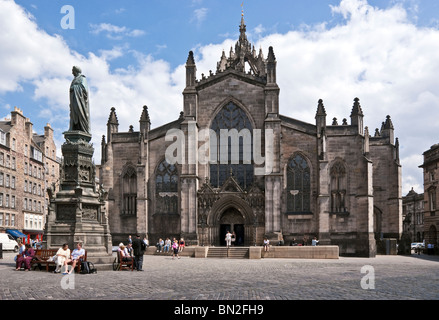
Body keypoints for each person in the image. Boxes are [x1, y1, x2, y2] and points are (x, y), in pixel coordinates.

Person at [69, 66, 90, 134]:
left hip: (80, 102)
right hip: (74, 100)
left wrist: (74, 87)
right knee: (73, 113)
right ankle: (73, 127)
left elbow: (84, 89)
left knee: (80, 113)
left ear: (76, 71)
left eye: (73, 71)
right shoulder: (74, 79)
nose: (72, 72)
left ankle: (81, 128)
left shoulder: (82, 78)